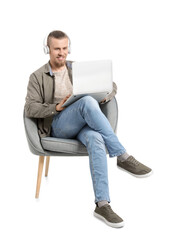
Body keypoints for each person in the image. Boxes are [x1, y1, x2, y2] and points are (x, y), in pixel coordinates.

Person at [25, 30, 152, 228]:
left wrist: (105, 94)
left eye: (65, 48)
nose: (62, 53)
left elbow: (112, 85)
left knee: (96, 137)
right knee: (85, 102)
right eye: (57, 49)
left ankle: (102, 205)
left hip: (85, 125)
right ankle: (122, 156)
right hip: (58, 125)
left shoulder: (77, 68)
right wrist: (56, 108)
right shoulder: (37, 76)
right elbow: (30, 108)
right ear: (47, 49)